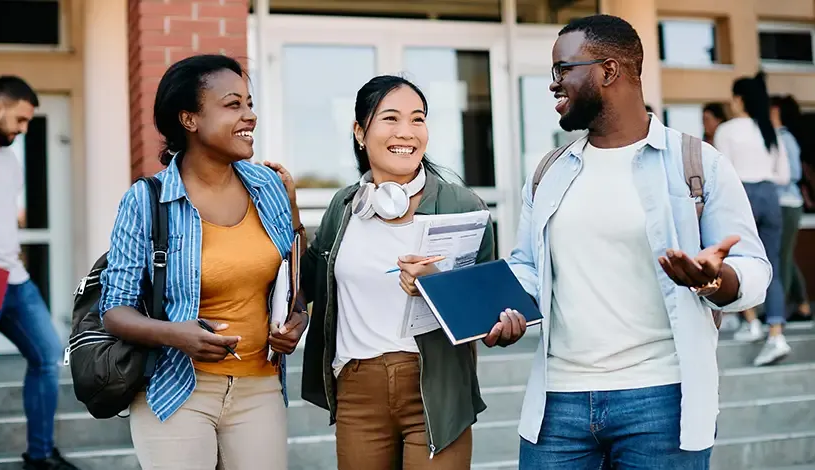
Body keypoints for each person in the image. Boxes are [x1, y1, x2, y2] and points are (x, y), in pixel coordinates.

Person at [508, 15, 770, 469]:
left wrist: (716, 279)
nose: (553, 85)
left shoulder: (698, 163)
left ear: (608, 71)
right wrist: (499, 309)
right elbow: (526, 268)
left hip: (661, 399)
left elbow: (753, 270)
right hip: (557, 404)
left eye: (562, 70)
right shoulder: (549, 172)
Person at [298, 75, 528, 469]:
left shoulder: (462, 204)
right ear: (359, 131)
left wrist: (441, 289)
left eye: (417, 119)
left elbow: (489, 312)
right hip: (357, 390)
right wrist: (288, 215)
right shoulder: (343, 207)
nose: (406, 132)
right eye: (390, 118)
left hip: (435, 393)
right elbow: (309, 287)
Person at [99, 54, 307, 470]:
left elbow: (292, 277)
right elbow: (114, 311)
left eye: (249, 103)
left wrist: (297, 317)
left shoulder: (267, 186)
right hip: (178, 388)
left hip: (260, 387)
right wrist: (177, 334)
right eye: (233, 105)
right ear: (190, 119)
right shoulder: (146, 200)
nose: (250, 116)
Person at [0, 76, 79, 470]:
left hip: (14, 279)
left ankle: (39, 455)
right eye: (20, 120)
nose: (23, 129)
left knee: (48, 354)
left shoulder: (10, 160)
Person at [713, 74, 791, 366]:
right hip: (771, 195)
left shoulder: (727, 130)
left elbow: (722, 173)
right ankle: (776, 334)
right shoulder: (769, 130)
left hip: (742, 194)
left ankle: (751, 322)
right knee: (773, 264)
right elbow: (783, 175)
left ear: (739, 99)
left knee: (738, 259)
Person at [770, 95, 811, 322]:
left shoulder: (785, 139)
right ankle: (802, 303)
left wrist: (767, 178)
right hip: (783, 204)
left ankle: (778, 310)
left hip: (787, 203)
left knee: (781, 257)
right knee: (785, 255)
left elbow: (793, 173)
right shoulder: (778, 137)